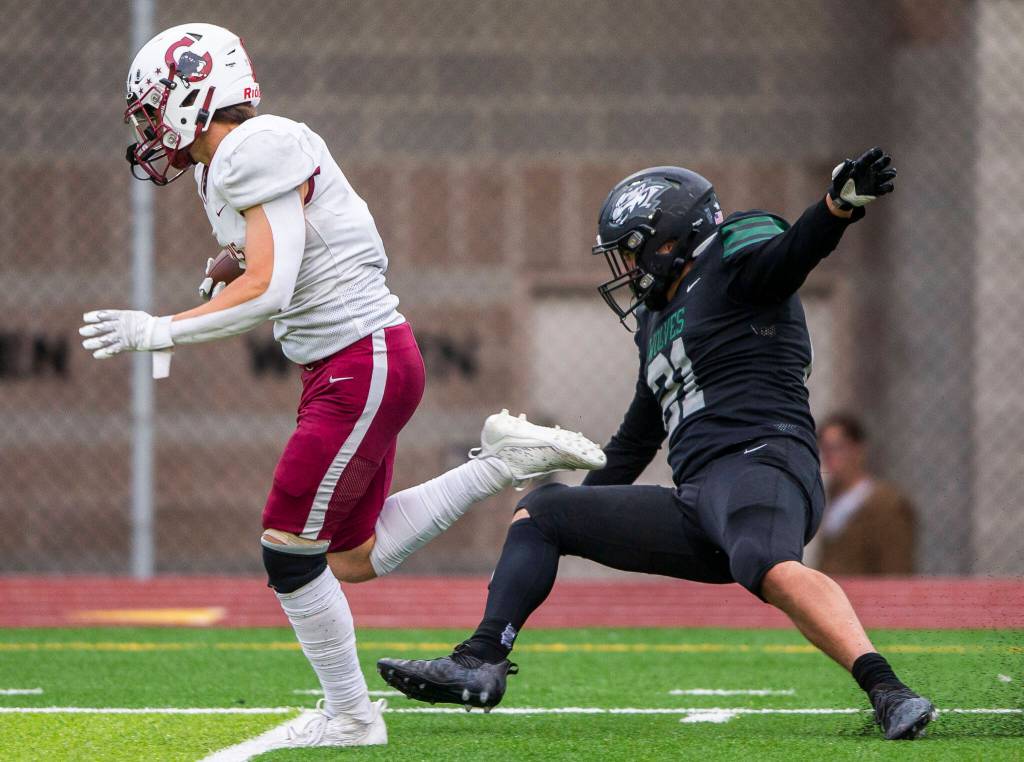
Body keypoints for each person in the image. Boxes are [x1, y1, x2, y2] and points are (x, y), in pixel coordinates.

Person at [78, 23, 605, 750]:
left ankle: (351, 716)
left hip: (360, 361)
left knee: (286, 551)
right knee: (348, 557)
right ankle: (503, 465)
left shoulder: (250, 148)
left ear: (193, 93)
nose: (146, 127)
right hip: (354, 361)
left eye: (151, 107)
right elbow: (284, 246)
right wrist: (233, 258)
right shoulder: (229, 160)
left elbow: (271, 286)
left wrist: (160, 329)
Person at [379, 151, 938, 741]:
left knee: (764, 560)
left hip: (764, 463)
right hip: (698, 501)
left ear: (670, 238)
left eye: (631, 247)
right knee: (544, 513)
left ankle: (888, 689)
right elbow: (636, 437)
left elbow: (790, 255)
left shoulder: (733, 254)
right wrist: (582, 520)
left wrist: (835, 209)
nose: (625, 265)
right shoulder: (657, 320)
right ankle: (481, 659)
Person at [816, 413, 916, 575]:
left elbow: (896, 567)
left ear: (858, 449)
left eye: (837, 448)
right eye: (823, 449)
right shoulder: (829, 498)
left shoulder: (887, 503)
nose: (829, 457)